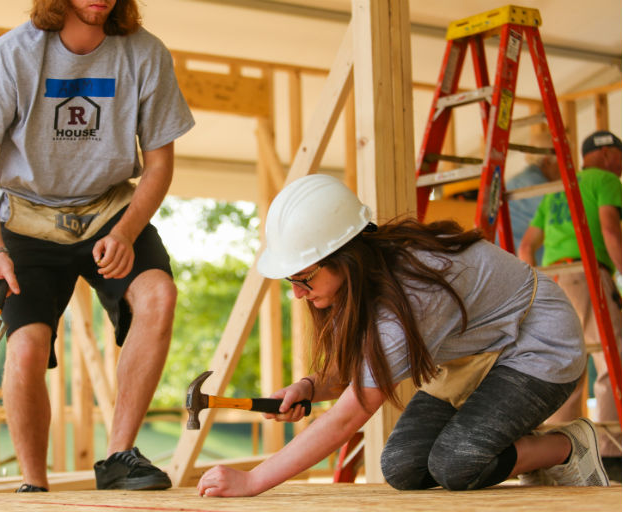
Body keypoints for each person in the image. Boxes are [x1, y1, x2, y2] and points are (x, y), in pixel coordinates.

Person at [197, 174, 608, 497]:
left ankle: (567, 446)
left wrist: (253, 481)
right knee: (404, 467)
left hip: (537, 343)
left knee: (457, 464)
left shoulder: (410, 295)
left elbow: (346, 417)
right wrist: (307, 386)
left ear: (345, 257)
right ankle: (502, 436)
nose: (297, 293)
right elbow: (355, 372)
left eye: (303, 278)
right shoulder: (361, 280)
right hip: (476, 357)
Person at [0, 0, 194, 492]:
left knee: (159, 296)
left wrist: (126, 232)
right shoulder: (10, 55)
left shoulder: (146, 55)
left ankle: (118, 458)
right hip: (27, 219)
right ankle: (34, 484)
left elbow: (160, 165)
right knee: (26, 350)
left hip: (110, 211)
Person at [518, 130, 622, 482]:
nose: (621, 166)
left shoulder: (558, 188)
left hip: (556, 283)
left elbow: (527, 246)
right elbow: (610, 228)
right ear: (607, 155)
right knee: (610, 361)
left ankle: (565, 455)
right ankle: (610, 454)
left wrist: (536, 283)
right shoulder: (605, 180)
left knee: (568, 369)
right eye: (620, 157)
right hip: (589, 274)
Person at [505, 131, 560, 260]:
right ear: (547, 162)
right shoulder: (540, 188)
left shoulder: (517, 181)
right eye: (561, 162)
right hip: (519, 262)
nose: (564, 170)